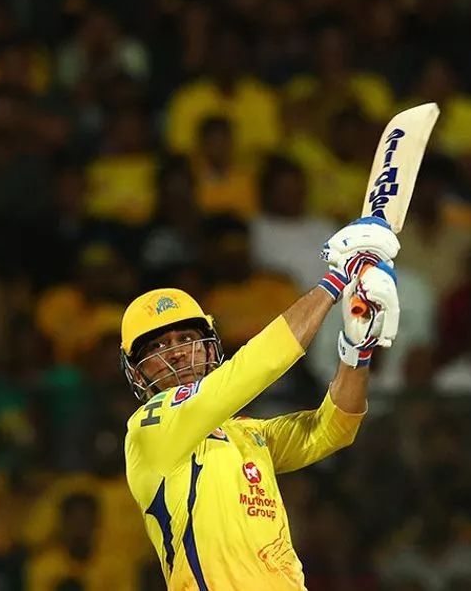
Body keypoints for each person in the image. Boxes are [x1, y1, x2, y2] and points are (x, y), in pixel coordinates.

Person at [122, 217, 402, 588]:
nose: (175, 354)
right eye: (157, 346)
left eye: (186, 339)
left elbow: (335, 427)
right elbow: (253, 368)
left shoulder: (247, 434)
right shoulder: (149, 428)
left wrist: (357, 350)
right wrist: (337, 279)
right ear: (138, 373)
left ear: (209, 350)